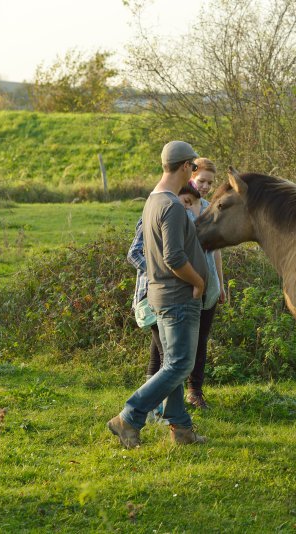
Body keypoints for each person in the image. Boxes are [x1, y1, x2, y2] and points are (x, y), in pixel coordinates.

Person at [108, 140, 209, 448]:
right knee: (180, 365)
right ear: (184, 167)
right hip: (178, 296)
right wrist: (198, 282)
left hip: (161, 296)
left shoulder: (154, 200)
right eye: (193, 167)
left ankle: (180, 428)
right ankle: (129, 416)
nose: (193, 173)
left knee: (171, 363)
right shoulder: (173, 207)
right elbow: (175, 258)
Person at [185, 157, 226, 409]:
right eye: (201, 181)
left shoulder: (212, 210)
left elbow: (217, 251)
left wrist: (221, 284)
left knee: (201, 340)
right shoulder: (180, 205)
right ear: (191, 176)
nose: (205, 187)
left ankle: (195, 391)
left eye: (210, 183)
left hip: (209, 287)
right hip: (185, 286)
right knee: (179, 341)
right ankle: (166, 392)